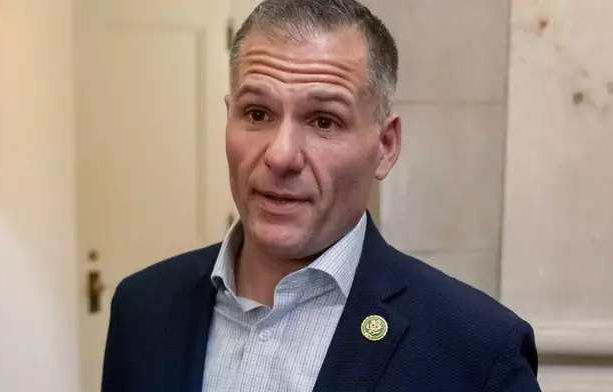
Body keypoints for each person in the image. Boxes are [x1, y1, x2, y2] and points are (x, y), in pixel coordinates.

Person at [102, 0, 541, 391]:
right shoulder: (143, 307)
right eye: (257, 113)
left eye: (324, 121)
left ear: (385, 147)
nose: (281, 156)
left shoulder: (477, 350)